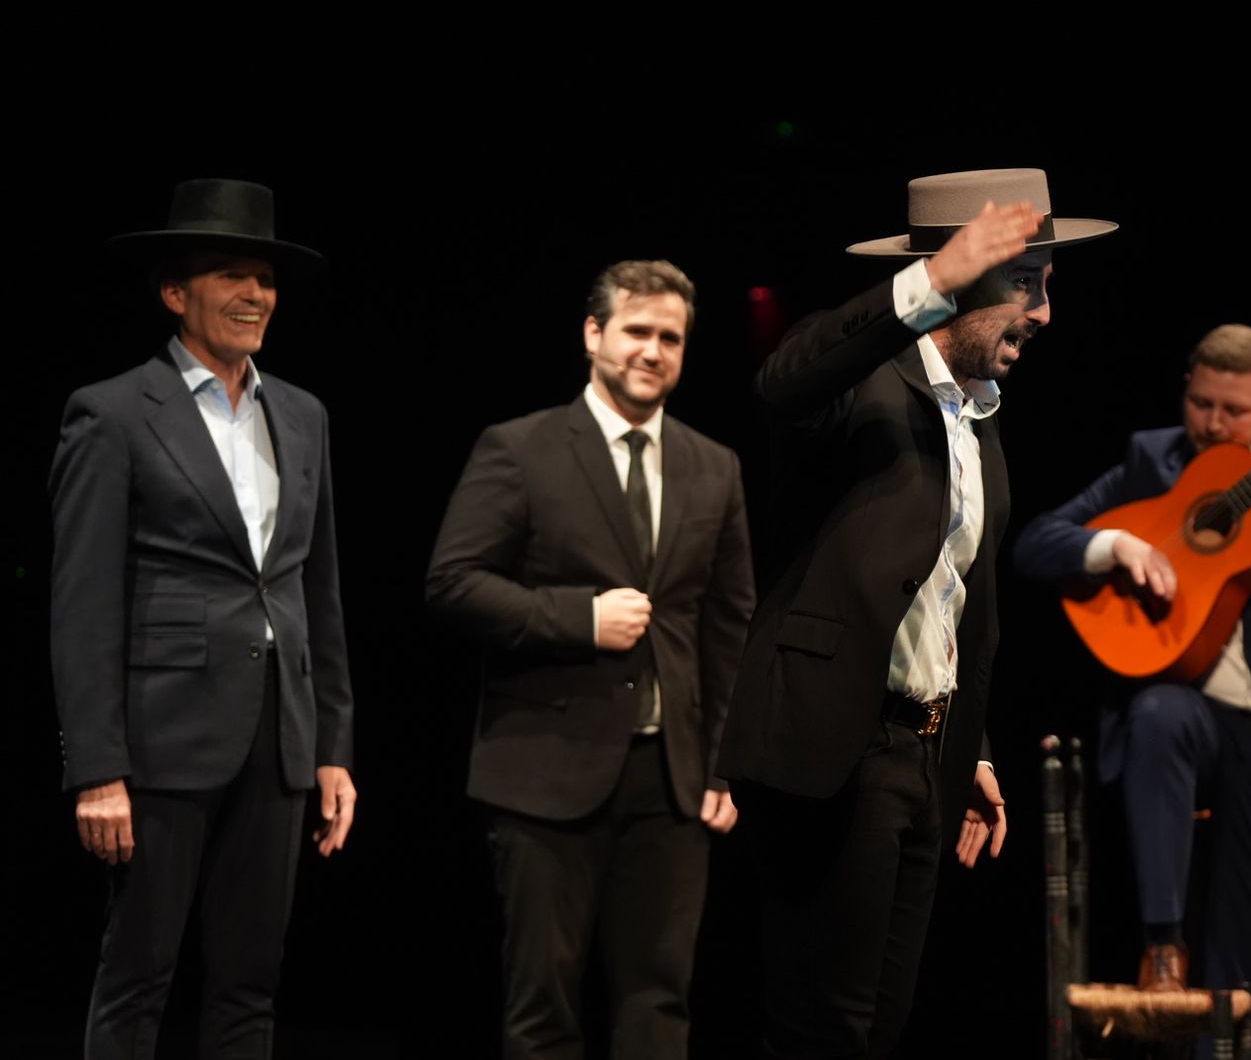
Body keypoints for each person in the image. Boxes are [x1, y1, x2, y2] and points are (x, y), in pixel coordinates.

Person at [716, 168, 1117, 1056]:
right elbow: (783, 378)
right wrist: (926, 286)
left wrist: (966, 739)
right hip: (833, 750)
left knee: (884, 1024)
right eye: (1027, 282)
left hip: (922, 754)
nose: (1044, 313)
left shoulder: (977, 415)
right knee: (827, 1029)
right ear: (958, 271)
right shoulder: (861, 383)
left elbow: (958, 593)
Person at [1013, 323, 1251, 1047]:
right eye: (1200, 404)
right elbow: (1035, 542)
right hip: (1188, 717)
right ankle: (1162, 943)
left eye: (1234, 411)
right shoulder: (1151, 460)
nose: (1213, 425)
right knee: (1157, 711)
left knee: (1240, 968)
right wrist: (1115, 544)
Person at [50, 178, 357, 1058]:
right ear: (175, 293)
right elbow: (81, 606)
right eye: (231, 273)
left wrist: (333, 746)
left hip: (278, 737)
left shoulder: (302, 415)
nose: (256, 294)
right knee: (138, 976)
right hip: (162, 738)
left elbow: (317, 591)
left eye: (264, 276)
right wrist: (97, 768)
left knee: (250, 983)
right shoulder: (110, 413)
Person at [425, 259, 756, 1059]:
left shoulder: (714, 465)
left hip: (671, 782)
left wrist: (718, 766)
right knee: (543, 1009)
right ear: (593, 335)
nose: (653, 350)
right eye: (637, 331)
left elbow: (729, 621)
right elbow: (453, 583)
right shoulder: (521, 447)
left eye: (669, 337)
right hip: (545, 772)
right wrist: (578, 617)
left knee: (659, 1002)